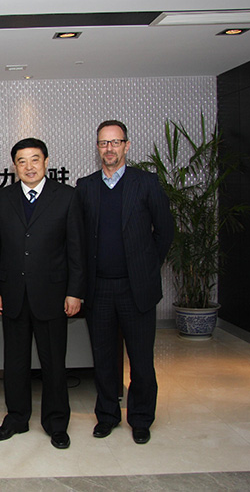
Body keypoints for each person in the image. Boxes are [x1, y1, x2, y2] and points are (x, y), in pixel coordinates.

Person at [75, 120, 174, 445]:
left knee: (141, 360)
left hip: (136, 289)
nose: (109, 148)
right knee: (103, 359)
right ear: (97, 148)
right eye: (104, 143)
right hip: (99, 289)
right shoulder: (85, 186)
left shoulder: (146, 183)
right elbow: (79, 238)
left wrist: (147, 266)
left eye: (115, 142)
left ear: (126, 146)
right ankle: (107, 416)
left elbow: (165, 231)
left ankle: (141, 418)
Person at [0, 138, 85, 450]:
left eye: (35, 159)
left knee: (53, 363)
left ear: (46, 162)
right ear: (14, 166)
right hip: (12, 294)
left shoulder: (67, 196)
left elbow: (76, 249)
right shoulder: (1, 199)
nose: (29, 167)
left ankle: (56, 423)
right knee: (14, 362)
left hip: (53, 295)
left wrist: (75, 292)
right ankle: (16, 418)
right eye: (22, 161)